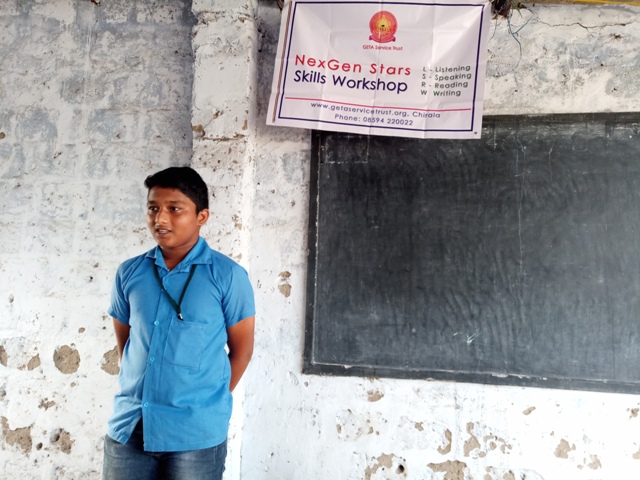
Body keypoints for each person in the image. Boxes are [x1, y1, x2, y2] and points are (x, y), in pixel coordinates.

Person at [102, 166, 255, 480]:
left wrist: (205, 401)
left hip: (195, 435)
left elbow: (242, 352)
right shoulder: (130, 272)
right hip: (130, 428)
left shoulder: (228, 276)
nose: (160, 219)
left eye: (174, 209)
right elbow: (128, 345)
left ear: (201, 216)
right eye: (153, 209)